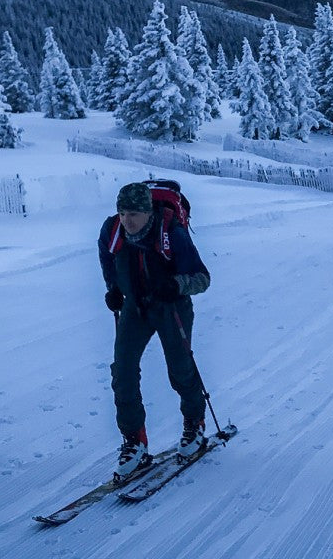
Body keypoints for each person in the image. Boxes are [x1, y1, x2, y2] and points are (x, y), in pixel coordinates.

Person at [98, 181, 211, 479]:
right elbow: (108, 262)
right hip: (135, 308)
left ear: (149, 212)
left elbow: (202, 278)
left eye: (134, 213)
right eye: (122, 213)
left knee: (180, 367)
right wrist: (113, 290)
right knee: (122, 371)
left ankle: (195, 425)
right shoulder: (111, 232)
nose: (127, 220)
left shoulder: (171, 233)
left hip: (171, 307)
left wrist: (175, 285)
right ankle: (135, 442)